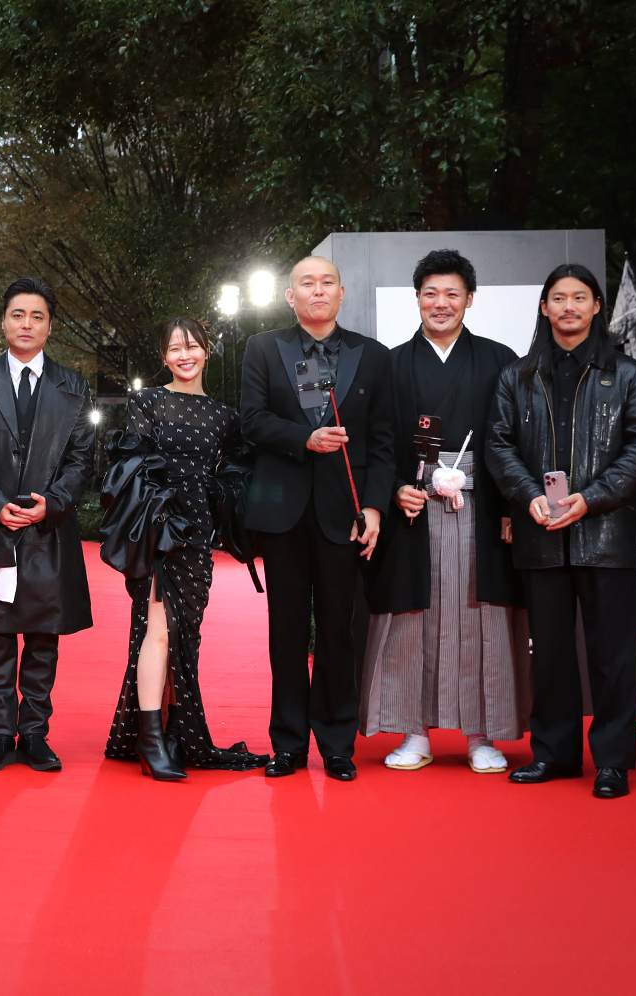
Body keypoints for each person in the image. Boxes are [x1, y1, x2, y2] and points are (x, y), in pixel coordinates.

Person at [485, 263, 636, 799]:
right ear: (544, 308)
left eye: (579, 298)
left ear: (597, 306)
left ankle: (611, 760)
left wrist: (592, 499)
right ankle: (556, 754)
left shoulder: (626, 374)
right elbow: (498, 443)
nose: (569, 307)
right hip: (541, 531)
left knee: (613, 655)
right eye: (558, 298)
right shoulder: (517, 376)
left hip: (605, 535)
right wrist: (530, 496)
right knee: (552, 652)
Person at [362, 249, 529, 773]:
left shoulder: (500, 359)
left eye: (452, 293)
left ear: (470, 300)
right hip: (415, 509)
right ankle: (415, 732)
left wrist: (507, 507)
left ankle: (482, 734)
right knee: (418, 619)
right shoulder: (390, 362)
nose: (441, 303)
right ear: (417, 299)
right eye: (430, 293)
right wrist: (393, 489)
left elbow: (513, 440)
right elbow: (378, 441)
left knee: (483, 618)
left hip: (482, 504)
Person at [240, 256, 394, 780]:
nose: (318, 290)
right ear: (290, 296)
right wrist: (303, 438)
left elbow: (382, 440)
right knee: (285, 631)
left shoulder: (372, 356)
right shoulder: (262, 349)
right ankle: (287, 742)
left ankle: (336, 743)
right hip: (282, 511)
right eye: (307, 283)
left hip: (343, 513)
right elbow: (253, 420)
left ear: (342, 292)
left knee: (339, 629)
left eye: (327, 282)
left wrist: (373, 506)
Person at [102, 317, 268, 779]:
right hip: (157, 530)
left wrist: (220, 502)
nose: (184, 355)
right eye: (175, 348)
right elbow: (132, 466)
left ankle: (174, 732)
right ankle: (150, 742)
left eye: (192, 346)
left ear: (207, 351)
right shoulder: (147, 401)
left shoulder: (224, 416)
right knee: (157, 629)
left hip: (198, 535)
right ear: (163, 357)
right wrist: (162, 516)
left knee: (184, 636)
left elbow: (238, 473)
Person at [0, 278, 95, 772]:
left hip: (47, 529)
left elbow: (82, 459)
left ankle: (34, 732)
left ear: (49, 326)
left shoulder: (74, 386)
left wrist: (52, 503)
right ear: (3, 321)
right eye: (18, 314)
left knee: (42, 636)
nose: (27, 324)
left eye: (37, 316)